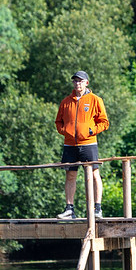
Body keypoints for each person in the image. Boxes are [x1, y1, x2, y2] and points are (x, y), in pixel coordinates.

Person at [55, 71, 109, 219]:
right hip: (69, 145)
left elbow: (104, 122)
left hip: (89, 144)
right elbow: (58, 121)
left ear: (86, 82)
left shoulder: (95, 100)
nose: (77, 83)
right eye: (75, 81)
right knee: (70, 175)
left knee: (93, 174)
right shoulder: (66, 101)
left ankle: (97, 208)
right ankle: (69, 209)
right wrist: (64, 131)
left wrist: (91, 131)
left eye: (80, 81)